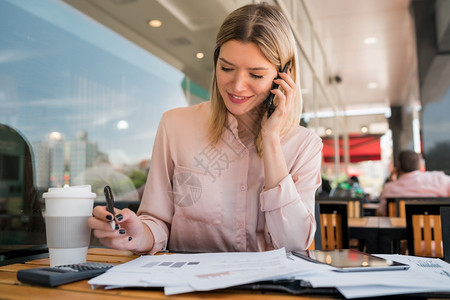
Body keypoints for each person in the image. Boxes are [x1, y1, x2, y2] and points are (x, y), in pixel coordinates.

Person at [88, 3, 323, 254]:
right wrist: (138, 235)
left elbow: (294, 244)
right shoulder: (175, 125)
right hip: (186, 288)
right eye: (227, 68)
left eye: (255, 75)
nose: (237, 86)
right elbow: (157, 221)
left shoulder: (305, 145)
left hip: (266, 291)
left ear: (284, 76)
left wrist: (271, 139)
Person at [376, 150, 450, 216]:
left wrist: (390, 179)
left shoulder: (389, 188)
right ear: (420, 164)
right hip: (440, 230)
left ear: (398, 165)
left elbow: (381, 213)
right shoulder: (440, 180)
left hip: (403, 230)